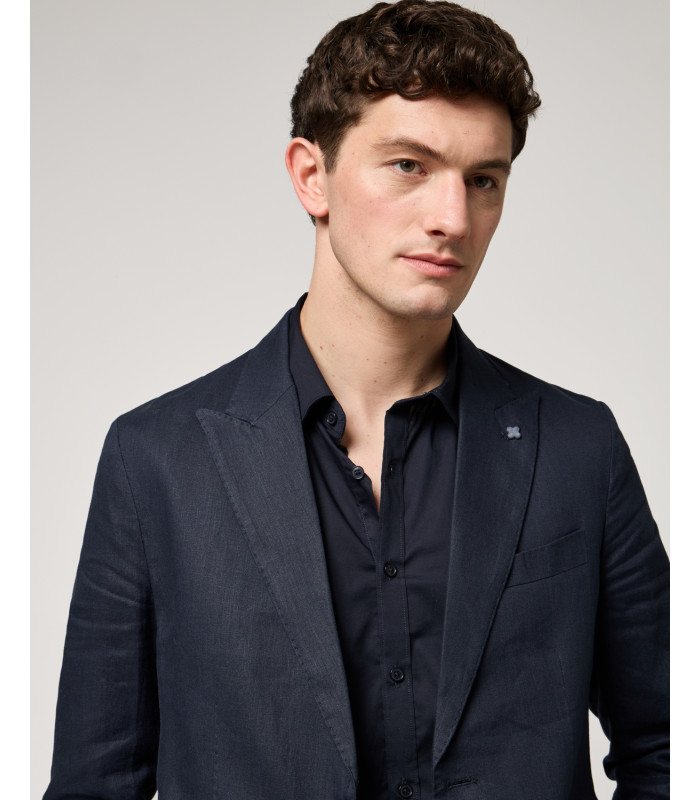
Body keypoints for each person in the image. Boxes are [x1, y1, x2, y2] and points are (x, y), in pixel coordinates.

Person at [44, 1, 669, 798]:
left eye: (483, 180)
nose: (453, 218)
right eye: (409, 166)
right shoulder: (158, 460)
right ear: (312, 176)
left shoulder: (579, 447)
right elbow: (95, 784)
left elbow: (672, 744)